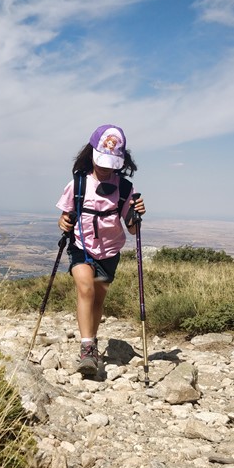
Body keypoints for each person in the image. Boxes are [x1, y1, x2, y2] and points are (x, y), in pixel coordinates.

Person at [55, 124, 146, 376]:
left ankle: (92, 340)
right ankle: (87, 349)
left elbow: (132, 230)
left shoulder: (126, 189)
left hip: (109, 252)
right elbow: (64, 217)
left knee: (98, 298)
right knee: (85, 287)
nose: (105, 167)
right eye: (102, 160)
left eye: (111, 162)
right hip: (81, 246)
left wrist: (137, 215)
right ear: (91, 154)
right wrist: (64, 222)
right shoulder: (78, 184)